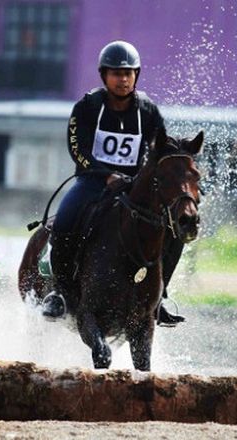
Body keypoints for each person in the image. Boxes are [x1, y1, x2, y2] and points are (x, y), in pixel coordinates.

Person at [43, 40, 185, 327]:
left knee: (175, 230)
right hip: (92, 182)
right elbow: (77, 150)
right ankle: (58, 291)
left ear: (136, 75)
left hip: (134, 187)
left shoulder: (148, 111)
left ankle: (159, 297)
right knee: (65, 220)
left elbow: (158, 149)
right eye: (117, 73)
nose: (123, 79)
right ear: (104, 76)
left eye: (129, 73)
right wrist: (105, 175)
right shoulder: (87, 106)